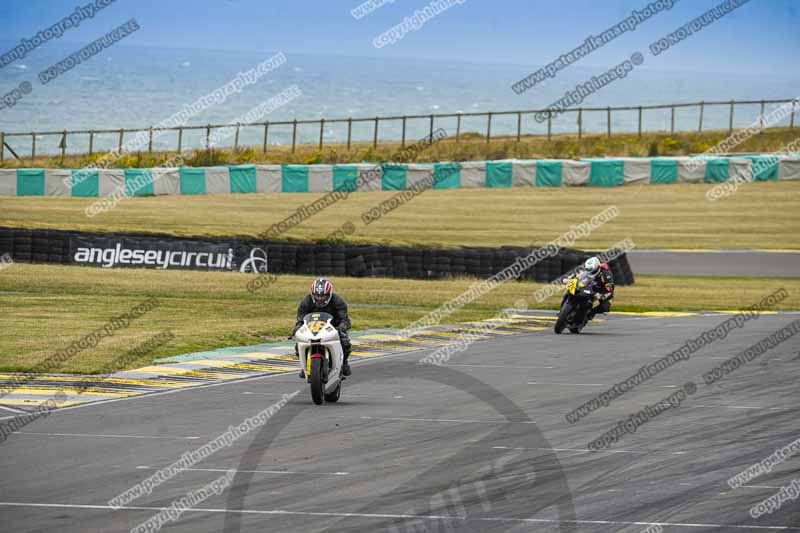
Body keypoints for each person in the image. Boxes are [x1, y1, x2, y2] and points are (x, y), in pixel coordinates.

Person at [293, 278, 352, 377]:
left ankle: (344, 363)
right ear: (312, 294)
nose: (320, 298)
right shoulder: (306, 302)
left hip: (333, 328)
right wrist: (297, 329)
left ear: (329, 294)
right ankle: (305, 366)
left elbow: (345, 319)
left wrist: (342, 327)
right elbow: (300, 320)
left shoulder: (338, 301)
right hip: (312, 328)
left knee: (345, 342)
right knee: (298, 344)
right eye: (317, 295)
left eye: (323, 296)